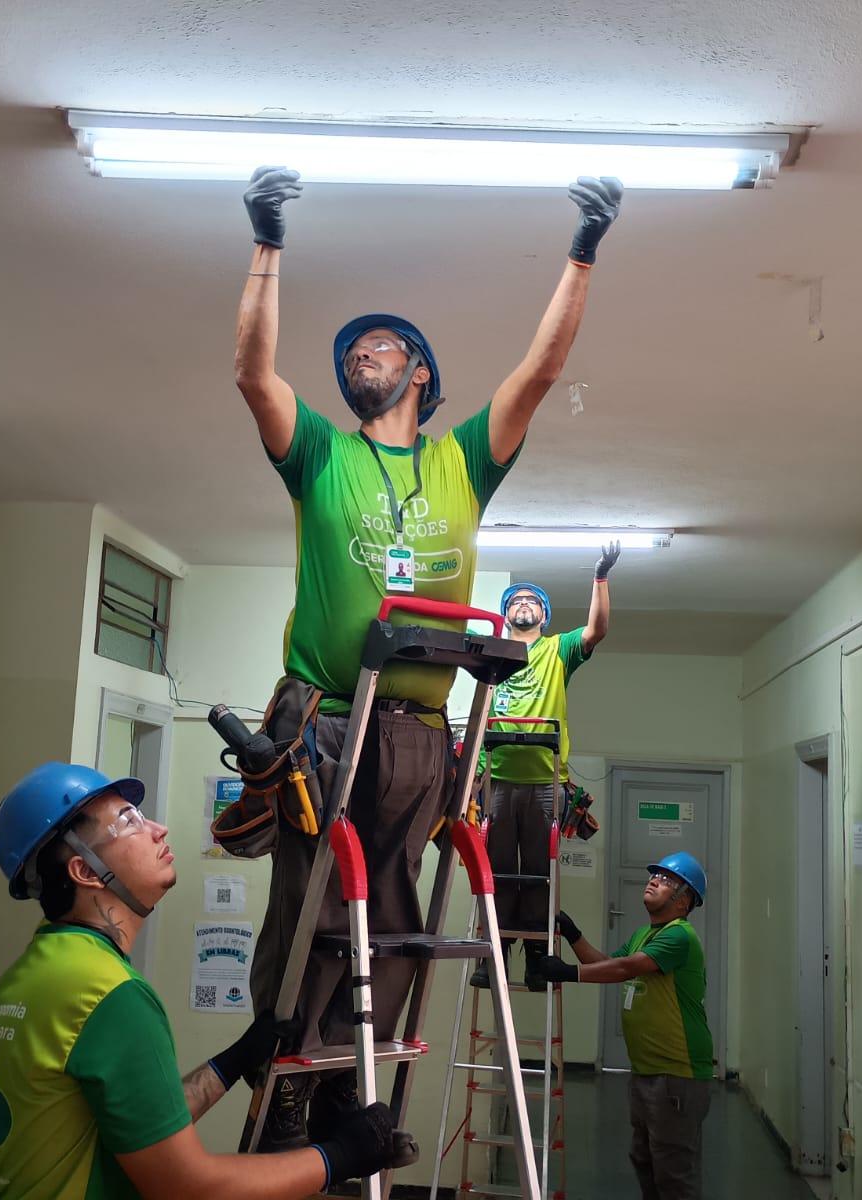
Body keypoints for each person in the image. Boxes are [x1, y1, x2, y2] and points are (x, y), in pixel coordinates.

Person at [232, 166, 625, 1147]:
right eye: (351, 350)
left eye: (383, 344)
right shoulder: (322, 456)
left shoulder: (463, 462)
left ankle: (350, 1096)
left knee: (397, 913)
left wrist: (583, 248)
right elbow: (252, 374)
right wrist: (266, 242)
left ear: (420, 375)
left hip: (418, 731)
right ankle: (283, 1087)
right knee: (310, 909)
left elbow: (537, 373)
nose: (363, 352)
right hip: (325, 718)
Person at [0, 762, 411, 1199]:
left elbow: (145, 1125)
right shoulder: (108, 995)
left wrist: (234, 1061)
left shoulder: (37, 974)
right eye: (128, 821)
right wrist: (340, 1156)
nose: (157, 828)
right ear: (84, 871)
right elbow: (187, 1186)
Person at [470, 542, 619, 992]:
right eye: (514, 600)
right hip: (495, 776)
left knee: (537, 870)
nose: (523, 604)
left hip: (544, 779)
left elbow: (597, 630)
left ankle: (536, 955)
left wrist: (600, 577)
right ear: (505, 614)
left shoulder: (558, 650)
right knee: (494, 871)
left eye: (532, 601)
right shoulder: (492, 653)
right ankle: (491, 951)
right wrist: (473, 778)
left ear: (545, 616)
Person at [538, 852, 714, 1200]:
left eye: (666, 880)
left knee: (673, 1171)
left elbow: (624, 970)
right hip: (648, 1071)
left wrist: (565, 973)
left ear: (685, 901)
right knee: (646, 1159)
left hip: (676, 1074)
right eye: (655, 875)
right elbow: (608, 964)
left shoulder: (679, 937)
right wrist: (573, 935)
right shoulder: (645, 935)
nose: (654, 880)